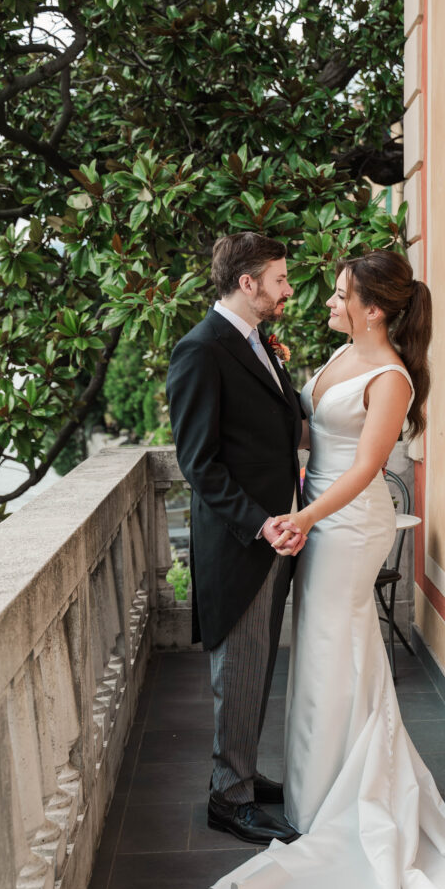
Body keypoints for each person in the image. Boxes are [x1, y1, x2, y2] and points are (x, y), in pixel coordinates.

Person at [211, 249, 445, 889]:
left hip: (346, 524)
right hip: (317, 516)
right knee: (322, 652)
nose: (329, 303)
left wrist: (305, 520)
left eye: (341, 295)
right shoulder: (341, 357)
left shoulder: (391, 376)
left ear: (374, 308)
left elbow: (369, 464)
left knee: (332, 648)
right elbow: (310, 434)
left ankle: (348, 795)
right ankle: (318, 795)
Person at [166, 232, 306, 847]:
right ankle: (228, 799)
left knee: (256, 668)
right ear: (246, 284)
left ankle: (243, 773)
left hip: (276, 533)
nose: (287, 290)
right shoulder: (200, 350)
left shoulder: (256, 343)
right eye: (278, 280)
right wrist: (260, 522)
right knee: (240, 669)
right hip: (243, 540)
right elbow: (200, 463)